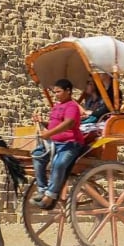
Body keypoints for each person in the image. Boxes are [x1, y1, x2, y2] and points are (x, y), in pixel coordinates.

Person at [31, 79, 83, 209]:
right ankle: (42, 189)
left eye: (58, 92)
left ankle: (50, 195)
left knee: (59, 164)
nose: (55, 95)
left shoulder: (72, 106)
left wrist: (48, 134)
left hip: (70, 144)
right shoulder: (57, 106)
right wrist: (43, 122)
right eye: (54, 92)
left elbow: (69, 123)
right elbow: (54, 125)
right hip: (55, 143)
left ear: (68, 91)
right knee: (37, 155)